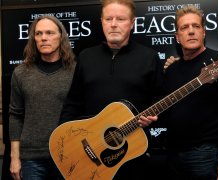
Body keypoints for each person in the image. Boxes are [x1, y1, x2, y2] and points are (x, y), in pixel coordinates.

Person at [59, 0, 164, 179]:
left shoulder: (150, 57)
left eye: (121, 19)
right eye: (108, 18)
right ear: (102, 22)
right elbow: (73, 103)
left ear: (132, 23)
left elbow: (160, 99)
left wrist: (152, 118)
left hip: (132, 154)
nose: (113, 24)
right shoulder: (86, 56)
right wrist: (65, 144)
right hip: (89, 153)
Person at [162, 5, 218, 180]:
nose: (191, 32)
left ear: (204, 32)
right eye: (185, 27)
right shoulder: (171, 69)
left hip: (206, 155)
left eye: (196, 26)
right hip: (173, 154)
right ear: (177, 37)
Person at [8, 15, 76, 180]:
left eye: (49, 33)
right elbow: (15, 116)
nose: (43, 38)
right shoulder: (21, 73)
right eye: (38, 34)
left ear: (61, 37)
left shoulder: (76, 71)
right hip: (32, 158)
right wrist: (14, 157)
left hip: (69, 155)